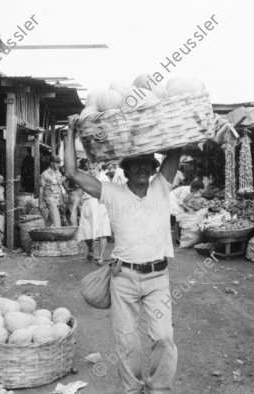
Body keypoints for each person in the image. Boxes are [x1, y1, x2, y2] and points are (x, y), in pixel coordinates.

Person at [64, 115, 179, 394]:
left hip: (157, 277)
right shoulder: (112, 193)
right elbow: (73, 174)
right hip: (123, 278)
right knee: (127, 342)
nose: (142, 167)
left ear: (154, 168)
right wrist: (69, 131)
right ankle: (132, 389)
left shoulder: (161, 187)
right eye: (135, 163)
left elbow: (177, 145)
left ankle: (159, 389)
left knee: (163, 337)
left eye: (148, 163)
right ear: (125, 169)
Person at [77, 163, 112, 265]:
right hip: (88, 205)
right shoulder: (85, 178)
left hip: (101, 206)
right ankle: (91, 248)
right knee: (87, 231)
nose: (91, 171)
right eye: (89, 168)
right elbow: (79, 194)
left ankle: (101, 257)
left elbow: (109, 194)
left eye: (93, 168)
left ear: (98, 168)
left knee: (103, 232)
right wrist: (74, 209)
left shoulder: (104, 178)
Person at [39, 156, 67, 228]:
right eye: (57, 163)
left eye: (59, 163)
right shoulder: (45, 174)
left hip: (57, 200)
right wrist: (40, 204)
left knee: (50, 220)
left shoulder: (58, 173)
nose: (59, 165)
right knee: (57, 221)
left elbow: (59, 187)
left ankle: (43, 235)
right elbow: (41, 188)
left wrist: (61, 201)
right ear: (51, 163)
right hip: (50, 200)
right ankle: (59, 237)